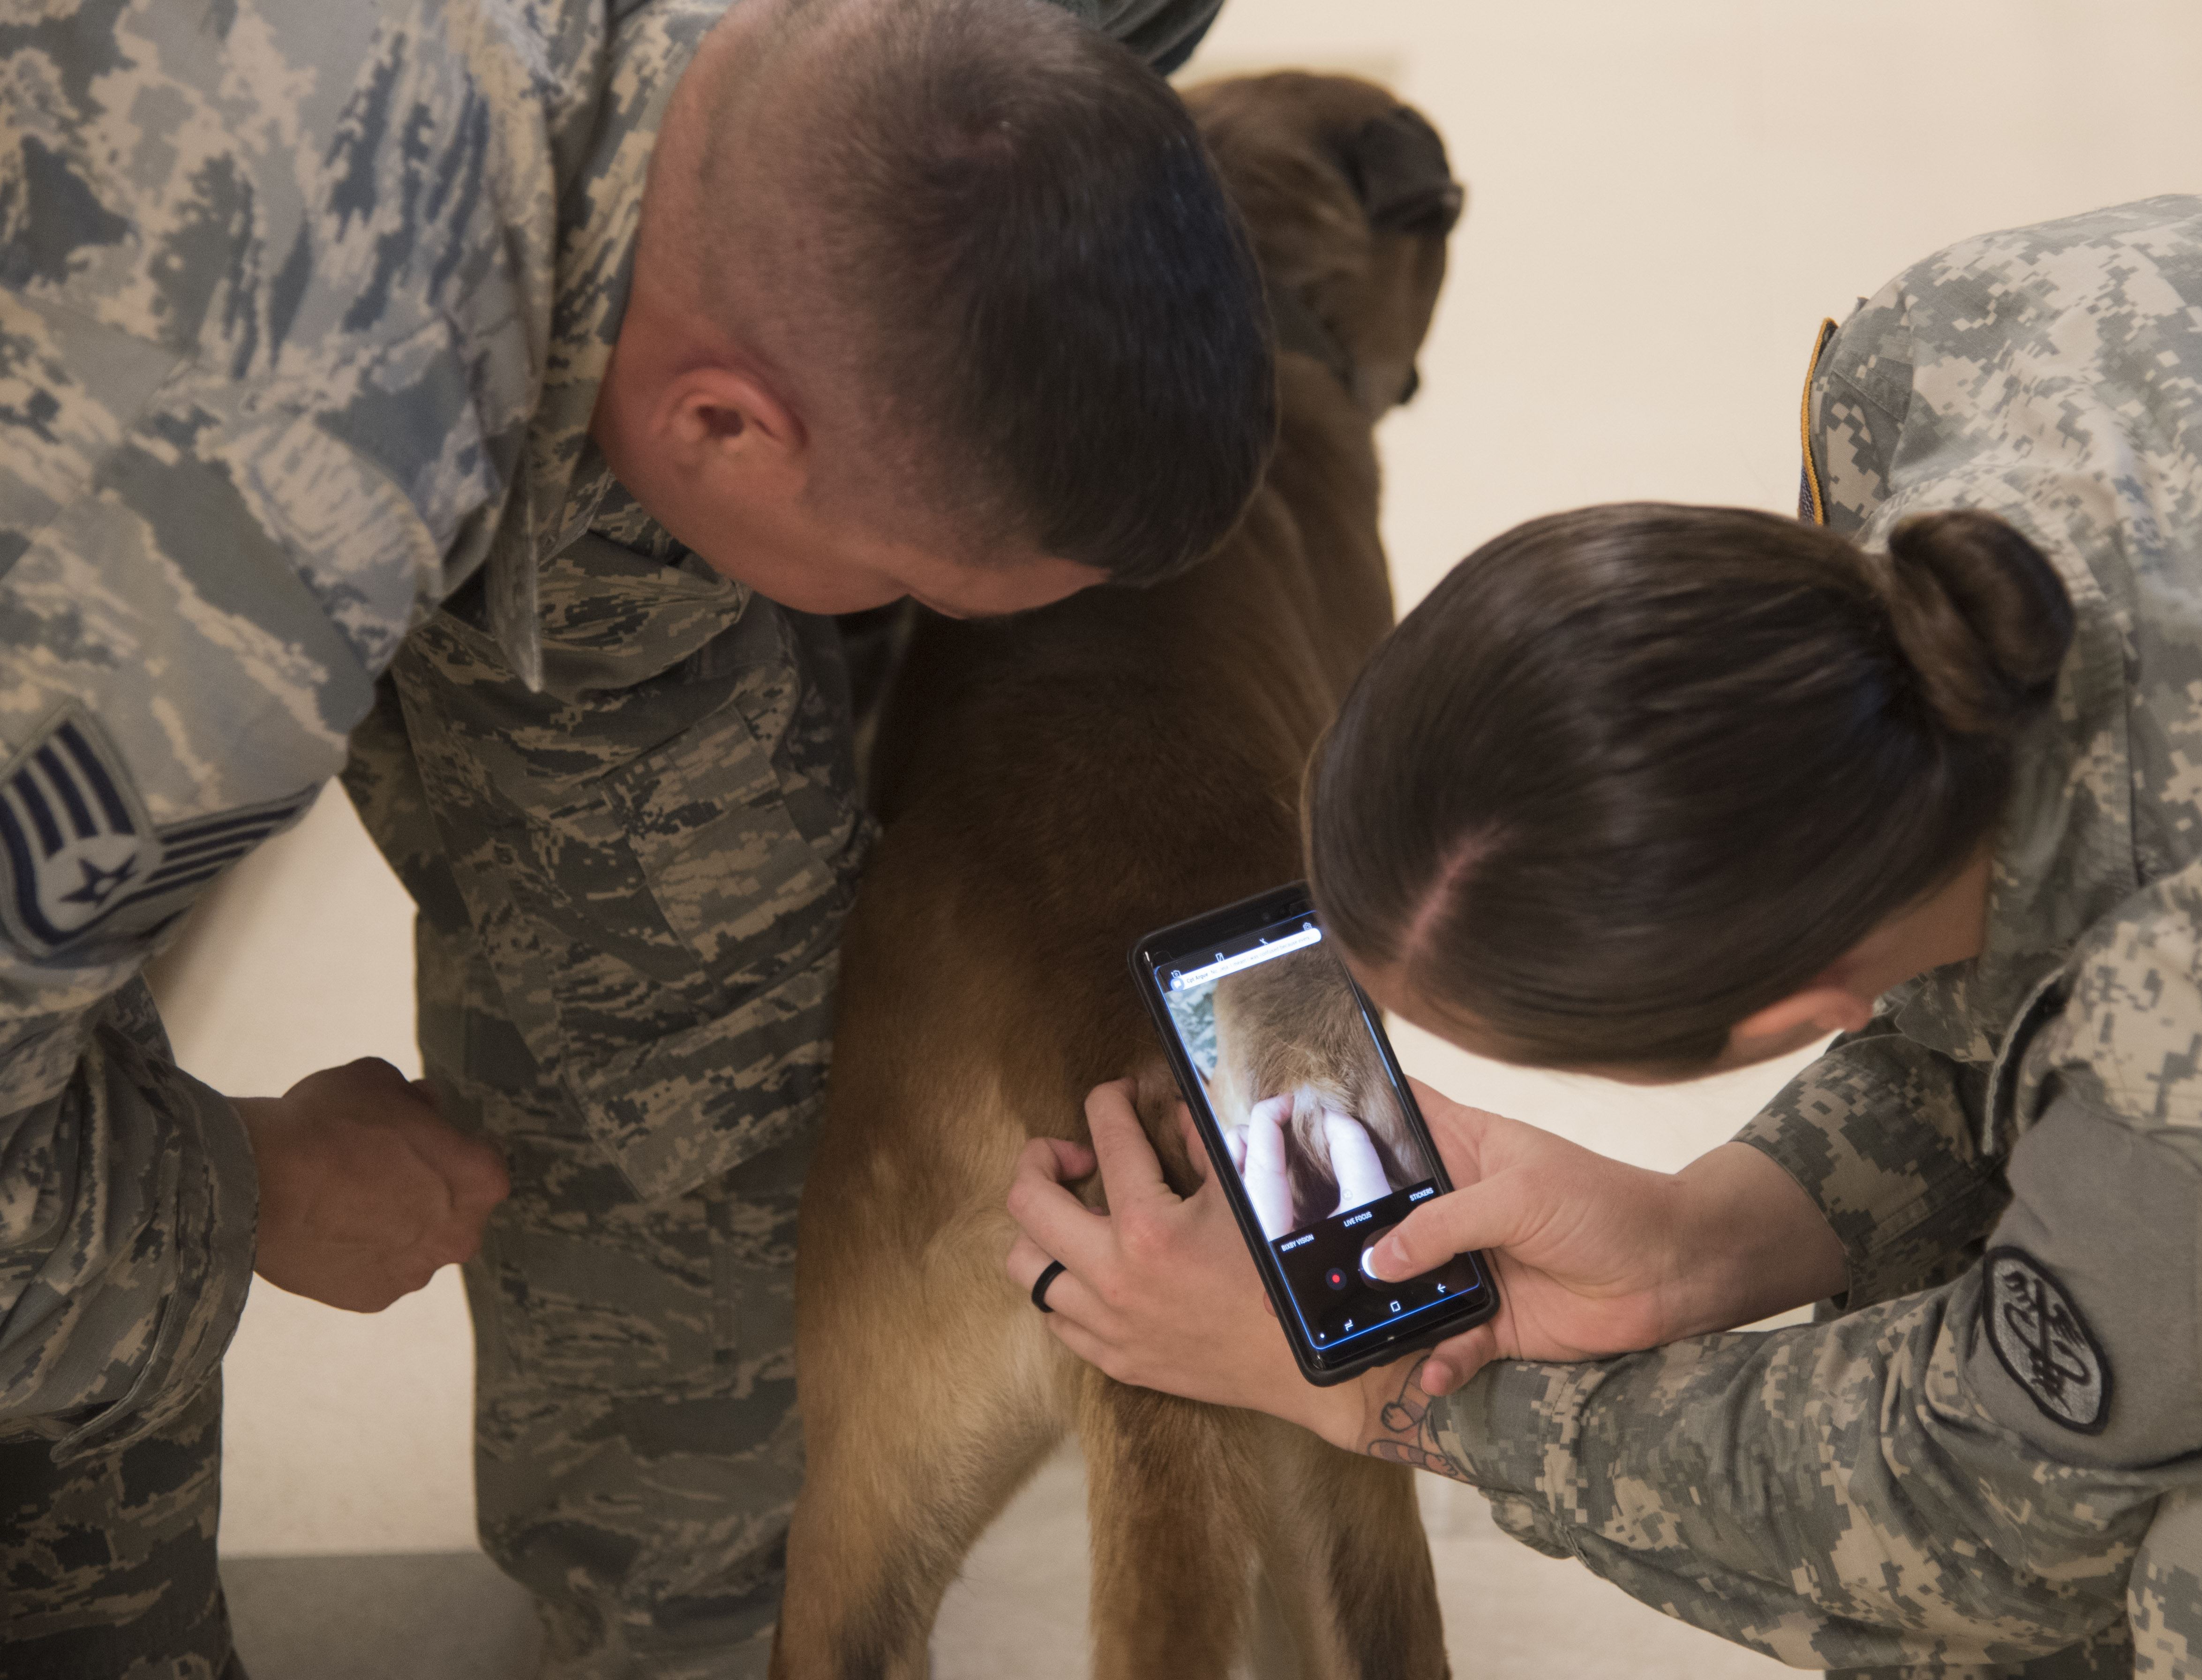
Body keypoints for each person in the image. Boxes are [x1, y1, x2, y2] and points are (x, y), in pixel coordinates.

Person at [1006, 191, 2202, 1677]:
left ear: (1799, 1011)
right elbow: (1966, 928)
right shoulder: (1934, 369)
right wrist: (1703, 1238)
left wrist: (1393, 1402)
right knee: (1958, 1266)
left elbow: (1990, 1520)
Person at [0, 0, 1268, 1672]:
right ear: (724, 424)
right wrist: (239, 1195)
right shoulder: (212, 561)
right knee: (88, 1384)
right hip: (148, 461)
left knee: (714, 981)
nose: (900, 626)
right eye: (905, 586)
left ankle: (697, 1621)